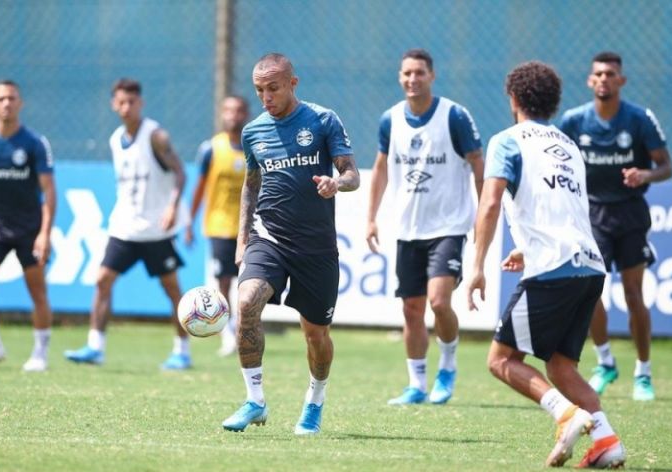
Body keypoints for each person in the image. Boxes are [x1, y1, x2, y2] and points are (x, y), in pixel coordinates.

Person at [467, 61, 626, 468]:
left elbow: (489, 204)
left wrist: (477, 266)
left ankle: (566, 414)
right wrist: (526, 248)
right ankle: (607, 443)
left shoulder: (507, 140)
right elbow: (566, 206)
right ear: (552, 103)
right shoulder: (569, 146)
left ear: (514, 98)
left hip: (554, 267)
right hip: (588, 265)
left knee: (501, 360)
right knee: (562, 367)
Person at [220, 53, 359, 435]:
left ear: (293, 84)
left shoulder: (323, 120)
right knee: (246, 302)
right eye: (259, 90)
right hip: (270, 239)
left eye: (273, 88)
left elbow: (352, 174)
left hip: (316, 248)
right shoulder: (253, 132)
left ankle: (314, 401)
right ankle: (255, 401)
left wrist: (337, 184)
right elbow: (252, 184)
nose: (266, 96)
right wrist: (243, 236)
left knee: (316, 335)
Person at [366, 48, 484, 405]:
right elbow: (381, 168)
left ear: (431, 76)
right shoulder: (390, 119)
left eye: (419, 73)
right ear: (400, 77)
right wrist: (371, 217)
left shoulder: (454, 116)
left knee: (438, 301)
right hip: (407, 229)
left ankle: (447, 367)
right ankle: (416, 384)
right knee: (411, 310)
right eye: (406, 74)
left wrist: (482, 216)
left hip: (448, 227)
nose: (412, 79)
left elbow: (478, 164)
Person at [559, 52, 672, 401]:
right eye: (598, 74)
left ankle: (643, 372)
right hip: (590, 215)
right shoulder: (574, 121)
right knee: (589, 289)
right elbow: (556, 160)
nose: (604, 79)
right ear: (590, 81)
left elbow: (666, 166)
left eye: (611, 74)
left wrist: (645, 175)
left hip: (629, 214)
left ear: (621, 80)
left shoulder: (639, 119)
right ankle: (605, 362)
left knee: (633, 294)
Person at [64, 78, 191, 370]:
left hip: (155, 229)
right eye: (120, 102)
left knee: (172, 289)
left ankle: (182, 350)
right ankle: (95, 347)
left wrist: (172, 206)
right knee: (102, 280)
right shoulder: (114, 139)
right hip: (124, 228)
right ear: (113, 104)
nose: (126, 108)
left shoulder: (155, 135)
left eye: (131, 102)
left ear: (140, 103)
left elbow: (180, 172)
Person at [0, 79, 56, 372]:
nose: (6, 103)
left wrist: (44, 233)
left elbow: (49, 190)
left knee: (36, 290)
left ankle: (40, 353)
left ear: (21, 104)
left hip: (29, 229)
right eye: (1, 98)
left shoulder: (34, 143)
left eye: (12, 98)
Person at [185, 95, 251, 357]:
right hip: (220, 225)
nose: (233, 115)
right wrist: (189, 221)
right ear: (222, 114)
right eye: (228, 110)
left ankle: (245, 329)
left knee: (249, 283)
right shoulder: (211, 148)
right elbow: (199, 188)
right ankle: (227, 332)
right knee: (224, 281)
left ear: (245, 114)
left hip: (249, 228)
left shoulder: (253, 146)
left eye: (238, 110)